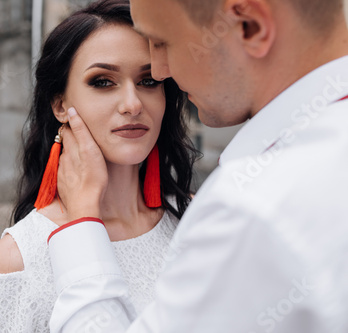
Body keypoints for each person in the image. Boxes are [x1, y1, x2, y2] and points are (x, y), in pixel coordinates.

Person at [47, 0, 348, 332]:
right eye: (102, 81)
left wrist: (81, 231)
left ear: (250, 26)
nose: (162, 71)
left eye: (162, 42)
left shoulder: (250, 209)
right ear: (59, 104)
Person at [0, 0, 198, 331]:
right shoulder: (18, 258)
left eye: (149, 81)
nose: (132, 104)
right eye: (102, 81)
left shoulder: (197, 219)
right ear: (60, 104)